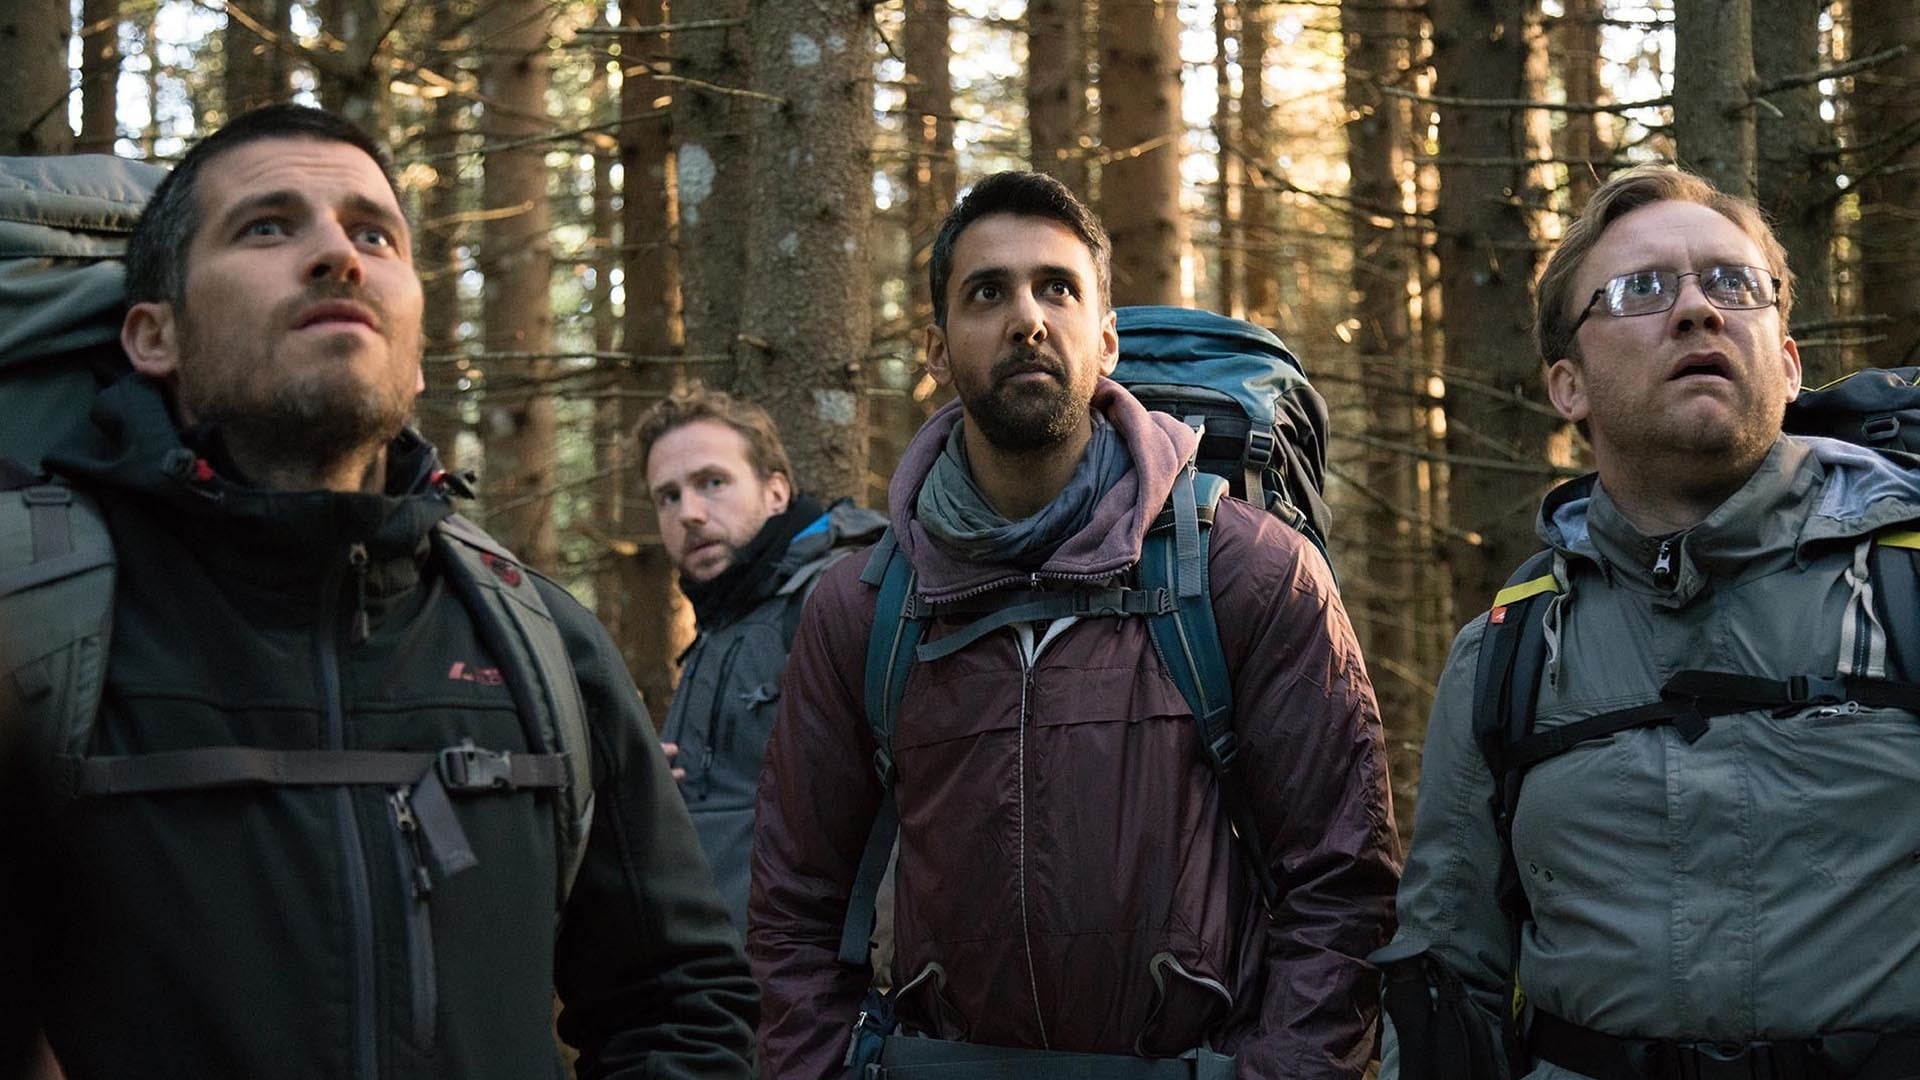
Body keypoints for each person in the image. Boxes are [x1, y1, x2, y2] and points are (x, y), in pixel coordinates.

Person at [1, 104, 757, 1078]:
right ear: (157, 336)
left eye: (373, 234)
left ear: (415, 342)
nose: (337, 257)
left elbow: (683, 1005)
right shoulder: (33, 624)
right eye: (267, 226)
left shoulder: (539, 641)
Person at [749, 170, 1400, 1079]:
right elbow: (796, 905)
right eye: (989, 293)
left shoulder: (1244, 571)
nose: (1027, 318)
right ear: (936, 349)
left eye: (1058, 287)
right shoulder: (864, 608)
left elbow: (1342, 888)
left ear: (1107, 338)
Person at [1381, 164, 1920, 1080]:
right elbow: (1447, 982)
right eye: (1640, 289)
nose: (1698, 310)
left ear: (1787, 362)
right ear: (1569, 386)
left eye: (1732, 283)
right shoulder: (1505, 655)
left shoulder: (1905, 590)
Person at [635, 386, 884, 934]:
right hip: (719, 992)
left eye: (713, 483)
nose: (690, 514)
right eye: (668, 497)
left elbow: (917, 810)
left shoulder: (838, 600)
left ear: (775, 492)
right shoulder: (721, 628)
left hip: (816, 996)